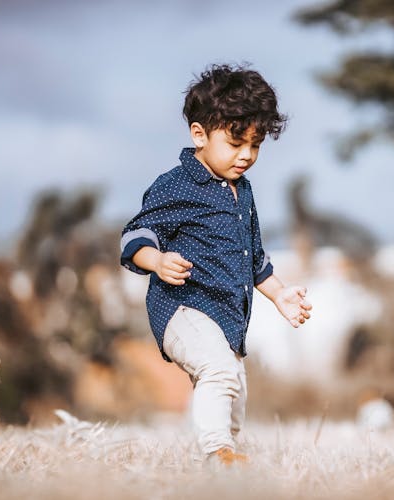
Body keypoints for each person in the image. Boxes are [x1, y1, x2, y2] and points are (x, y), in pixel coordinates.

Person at [119, 63, 312, 465]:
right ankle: (216, 451)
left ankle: (226, 462)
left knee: (234, 390)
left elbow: (253, 257)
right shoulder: (176, 184)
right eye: (236, 143)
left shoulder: (245, 193)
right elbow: (135, 236)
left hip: (227, 317)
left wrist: (280, 294)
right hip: (182, 307)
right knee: (219, 370)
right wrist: (156, 260)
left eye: (256, 145)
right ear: (199, 134)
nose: (246, 156)